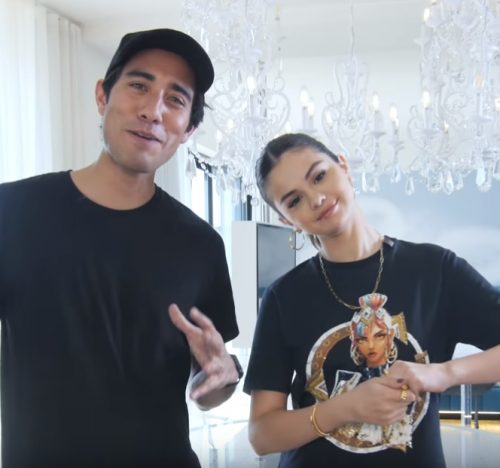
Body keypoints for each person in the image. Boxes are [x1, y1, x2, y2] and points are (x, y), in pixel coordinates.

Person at [0, 28, 243, 468]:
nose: (153, 111)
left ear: (188, 130)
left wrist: (224, 377)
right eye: (138, 86)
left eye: (175, 99)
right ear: (102, 96)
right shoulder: (13, 211)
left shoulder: (201, 245)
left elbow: (209, 389)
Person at [243, 132, 500, 467]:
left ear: (344, 167)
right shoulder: (284, 296)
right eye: (294, 201)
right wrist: (344, 408)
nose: (316, 199)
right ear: (285, 220)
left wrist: (444, 374)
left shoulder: (435, 270)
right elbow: (261, 435)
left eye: (319, 176)